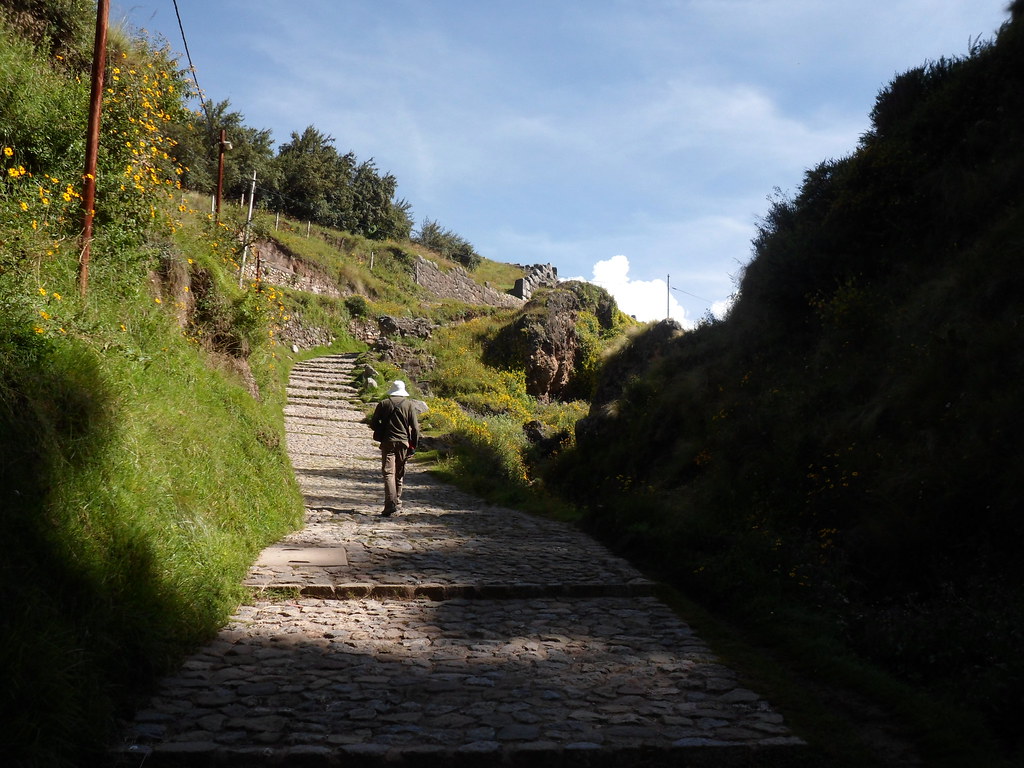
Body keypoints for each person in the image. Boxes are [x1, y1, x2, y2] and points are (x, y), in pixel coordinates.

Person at [369, 380, 420, 516]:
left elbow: (373, 424)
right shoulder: (409, 405)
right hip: (404, 443)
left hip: (388, 442)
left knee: (388, 473)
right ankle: (397, 501)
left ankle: (390, 504)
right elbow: (415, 428)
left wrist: (383, 429)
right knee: (399, 472)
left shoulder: (383, 404)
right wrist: (413, 445)